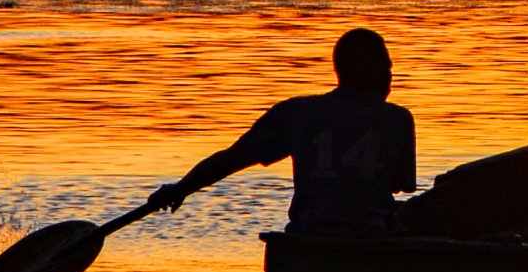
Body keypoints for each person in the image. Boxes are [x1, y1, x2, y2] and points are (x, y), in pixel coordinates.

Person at [146, 27, 417, 237]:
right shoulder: (399, 119)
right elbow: (395, 184)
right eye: (388, 68)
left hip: (307, 237)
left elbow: (232, 159)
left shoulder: (298, 113)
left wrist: (182, 187)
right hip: (371, 239)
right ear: (372, 72)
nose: (390, 77)